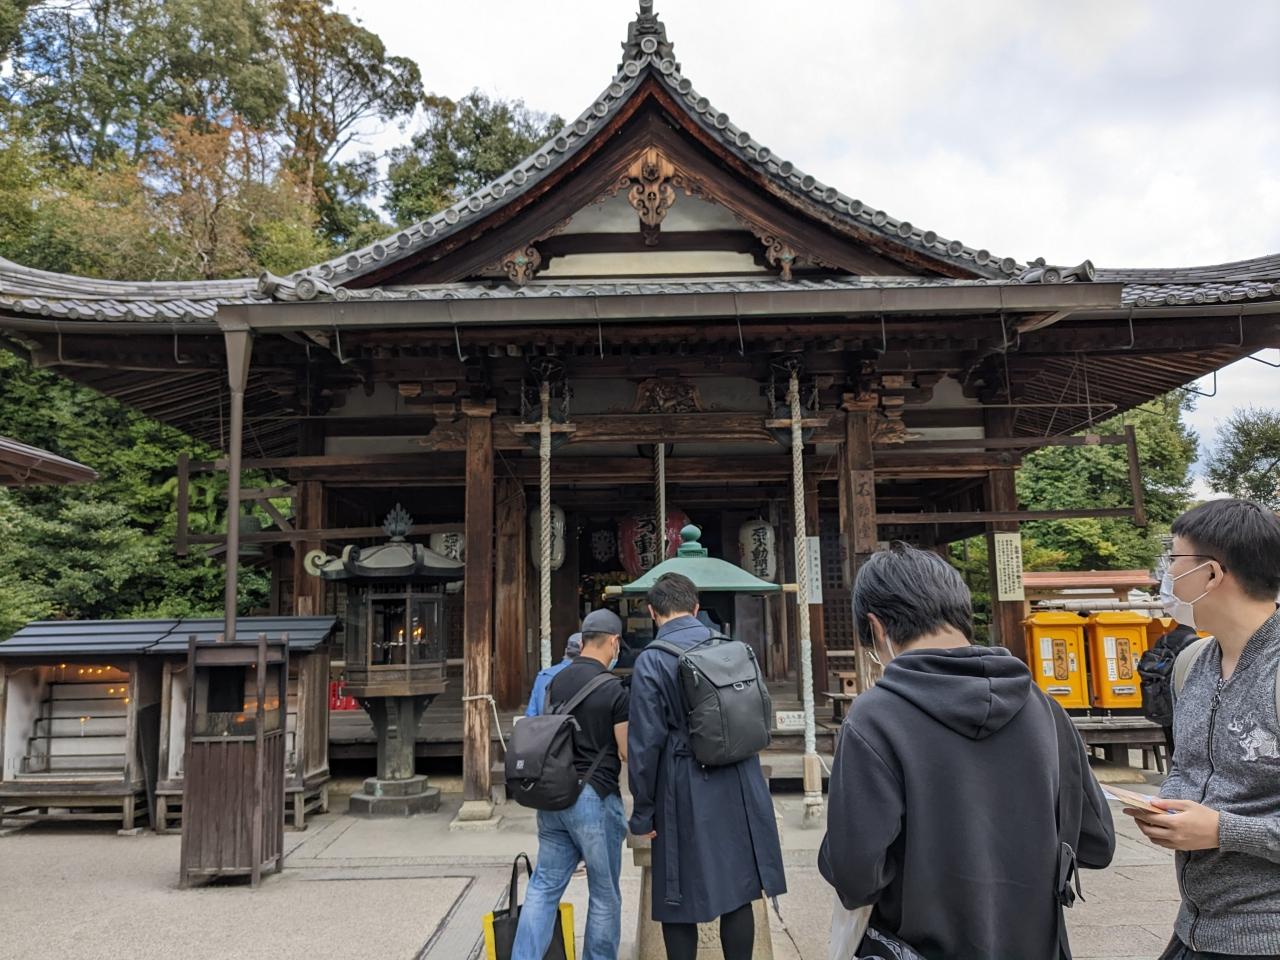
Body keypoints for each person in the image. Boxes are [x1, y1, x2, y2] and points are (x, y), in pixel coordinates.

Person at [819, 542, 1115, 960]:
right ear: (960, 611)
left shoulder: (875, 718)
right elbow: (1096, 843)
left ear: (877, 628)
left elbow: (856, 878)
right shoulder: (1045, 709)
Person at [1123, 499, 1280, 960]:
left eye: (1174, 559)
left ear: (1211, 574)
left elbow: (1220, 825)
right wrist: (1166, 807)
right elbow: (1190, 766)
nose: (1166, 574)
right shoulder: (1193, 662)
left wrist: (1222, 830)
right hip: (1196, 930)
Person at [627, 572, 785, 960]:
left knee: (677, 895)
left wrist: (643, 812)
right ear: (696, 608)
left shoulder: (652, 660)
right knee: (739, 890)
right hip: (740, 778)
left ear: (652, 612)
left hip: (683, 783)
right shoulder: (732, 647)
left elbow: (645, 744)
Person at [512, 610, 629, 960]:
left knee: (543, 887)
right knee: (604, 893)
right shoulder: (614, 689)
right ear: (613, 642)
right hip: (595, 796)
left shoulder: (554, 681)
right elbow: (626, 751)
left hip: (554, 795)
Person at [1138, 622, 1201, 755]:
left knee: (1171, 737)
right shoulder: (1195, 642)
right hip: (1181, 695)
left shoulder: (1163, 639)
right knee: (1187, 742)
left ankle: (1174, 764)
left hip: (1161, 694)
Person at [526, 631, 583, 718]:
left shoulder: (543, 676)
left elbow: (531, 715)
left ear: (566, 651)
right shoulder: (589, 676)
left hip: (545, 725)